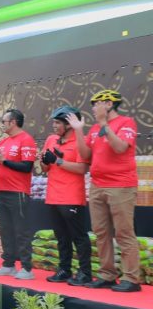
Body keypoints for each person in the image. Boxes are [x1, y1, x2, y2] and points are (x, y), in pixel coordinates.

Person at [68, 89, 141, 292]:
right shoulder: (92, 129)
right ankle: (107, 275)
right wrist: (78, 131)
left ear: (109, 104)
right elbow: (85, 155)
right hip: (98, 185)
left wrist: (103, 125)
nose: (93, 107)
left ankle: (131, 278)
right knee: (101, 232)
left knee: (124, 232)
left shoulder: (127, 123)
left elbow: (119, 147)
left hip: (121, 185)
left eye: (96, 103)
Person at [40, 106, 92, 286]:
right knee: (61, 236)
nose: (54, 126)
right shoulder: (51, 139)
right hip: (53, 195)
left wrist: (58, 161)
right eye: (53, 122)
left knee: (79, 236)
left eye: (57, 123)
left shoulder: (80, 142)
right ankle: (64, 269)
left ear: (69, 125)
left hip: (71, 196)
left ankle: (85, 273)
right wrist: (45, 161)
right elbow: (45, 169)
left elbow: (82, 169)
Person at [0, 109, 37, 280]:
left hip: (17, 192)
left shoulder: (26, 140)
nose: (2, 124)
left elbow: (27, 167)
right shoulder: (3, 142)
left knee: (20, 230)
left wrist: (3, 161)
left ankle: (26, 267)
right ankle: (8, 264)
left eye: (4, 121)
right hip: (1, 192)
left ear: (14, 122)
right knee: (5, 230)